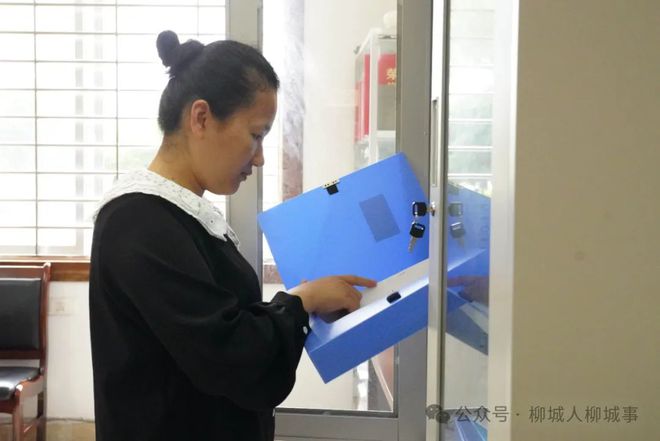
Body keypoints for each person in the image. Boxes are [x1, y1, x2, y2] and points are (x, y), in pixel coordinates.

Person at [88, 30, 376, 441]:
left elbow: (218, 323)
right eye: (256, 135)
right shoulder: (138, 221)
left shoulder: (177, 214)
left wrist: (302, 305)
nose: (259, 158)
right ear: (201, 118)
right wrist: (301, 301)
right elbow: (227, 353)